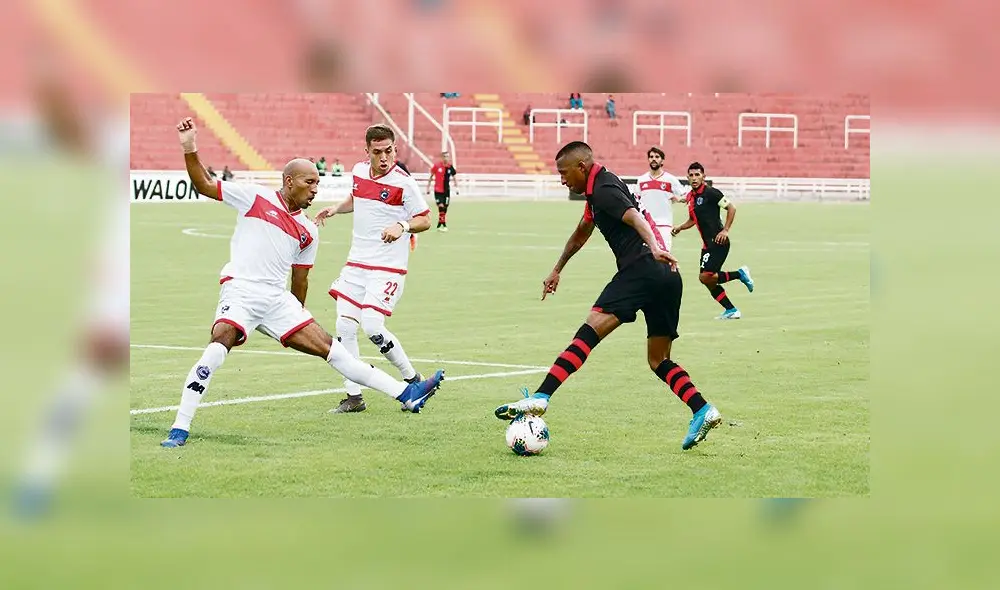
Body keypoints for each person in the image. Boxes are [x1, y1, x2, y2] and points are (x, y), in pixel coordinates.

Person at [160, 118, 445, 448]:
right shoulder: (255, 198)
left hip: (278, 302)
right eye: (309, 183)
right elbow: (204, 185)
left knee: (336, 352)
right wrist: (189, 146)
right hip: (240, 291)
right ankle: (180, 427)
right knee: (216, 349)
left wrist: (296, 317)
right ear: (288, 181)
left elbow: (300, 280)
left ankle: (407, 393)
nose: (315, 190)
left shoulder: (308, 232)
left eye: (317, 185)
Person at [494, 142, 723, 451]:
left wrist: (655, 247)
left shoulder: (602, 188)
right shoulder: (599, 189)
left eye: (563, 173)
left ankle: (541, 397)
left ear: (581, 167)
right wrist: (557, 269)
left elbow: (632, 216)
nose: (562, 180)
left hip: (642, 269)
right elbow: (581, 232)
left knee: (589, 331)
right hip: (668, 277)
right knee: (659, 360)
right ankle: (702, 409)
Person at [314, 124, 433, 414]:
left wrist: (402, 225)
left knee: (372, 326)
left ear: (396, 149)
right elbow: (356, 198)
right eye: (377, 152)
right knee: (344, 327)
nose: (384, 157)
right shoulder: (357, 171)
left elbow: (425, 219)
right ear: (366, 151)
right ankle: (354, 397)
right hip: (356, 263)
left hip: (388, 267)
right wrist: (335, 209)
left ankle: (411, 378)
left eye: (389, 151)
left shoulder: (404, 183)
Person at [671, 162, 754, 320]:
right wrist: (680, 227)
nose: (694, 178)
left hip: (719, 242)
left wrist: (725, 230)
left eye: (697, 175)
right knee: (708, 281)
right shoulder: (692, 197)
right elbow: (693, 219)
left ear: (704, 176)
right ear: (687, 177)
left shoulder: (711, 193)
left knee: (706, 276)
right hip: (707, 245)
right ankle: (731, 310)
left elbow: (732, 208)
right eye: (691, 175)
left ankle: (740, 274)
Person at [633, 147, 690, 252]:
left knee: (664, 254)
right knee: (646, 256)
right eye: (651, 157)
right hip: (646, 224)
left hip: (664, 224)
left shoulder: (670, 179)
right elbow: (637, 201)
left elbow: (685, 196)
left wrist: (678, 198)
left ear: (662, 160)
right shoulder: (641, 180)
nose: (654, 159)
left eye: (657, 157)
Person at [427, 151, 457, 231]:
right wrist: (428, 188)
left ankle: (440, 223)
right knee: (441, 206)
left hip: (446, 191)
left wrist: (456, 187)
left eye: (447, 156)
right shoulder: (437, 166)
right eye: (445, 156)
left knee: (445, 207)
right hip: (438, 191)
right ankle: (443, 224)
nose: (446, 158)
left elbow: (454, 176)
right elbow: (431, 176)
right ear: (442, 157)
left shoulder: (450, 167)